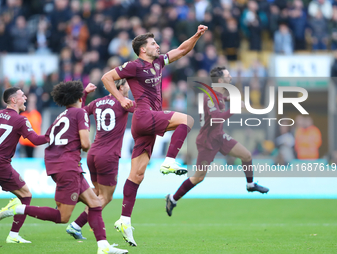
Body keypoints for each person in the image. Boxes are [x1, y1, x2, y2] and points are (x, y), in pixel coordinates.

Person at [101, 25, 208, 246]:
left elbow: (182, 50)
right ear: (142, 49)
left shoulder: (159, 62)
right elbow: (106, 78)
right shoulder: (133, 66)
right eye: (153, 43)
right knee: (187, 120)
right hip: (143, 116)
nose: (157, 46)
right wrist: (121, 100)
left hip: (146, 123)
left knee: (137, 175)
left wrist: (197, 35)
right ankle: (169, 161)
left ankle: (124, 219)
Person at [0, 81, 128, 254]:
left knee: (95, 203)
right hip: (68, 167)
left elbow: (51, 134)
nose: (26, 97)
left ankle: (104, 247)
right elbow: (85, 144)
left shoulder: (62, 115)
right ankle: (18, 208)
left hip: (63, 165)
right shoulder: (76, 114)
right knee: (62, 217)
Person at [165, 66, 270, 217]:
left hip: (219, 136)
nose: (231, 78)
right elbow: (216, 118)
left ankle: (250, 185)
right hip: (207, 141)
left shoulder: (218, 95)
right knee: (198, 177)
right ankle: (172, 199)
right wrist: (234, 108)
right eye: (228, 76)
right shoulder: (209, 97)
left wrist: (231, 99)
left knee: (246, 156)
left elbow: (222, 100)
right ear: (221, 81)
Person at [66, 79, 135, 240]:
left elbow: (79, 112)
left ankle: (71, 198)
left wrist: (84, 94)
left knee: (97, 192)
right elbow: (145, 112)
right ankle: (76, 225)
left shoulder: (97, 102)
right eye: (127, 85)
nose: (129, 88)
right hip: (108, 156)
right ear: (119, 87)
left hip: (93, 153)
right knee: (106, 197)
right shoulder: (124, 103)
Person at [0, 87, 48, 243]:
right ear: (13, 100)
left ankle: (10, 213)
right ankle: (13, 235)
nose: (25, 98)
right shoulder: (20, 119)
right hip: (0, 164)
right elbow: (36, 140)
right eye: (22, 96)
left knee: (23, 194)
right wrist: (55, 133)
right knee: (26, 195)